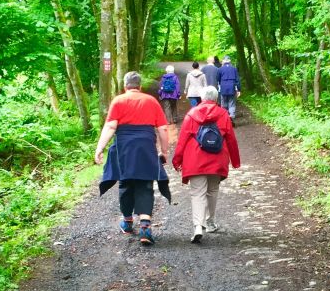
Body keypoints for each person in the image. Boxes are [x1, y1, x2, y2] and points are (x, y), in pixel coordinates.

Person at [95, 71, 171, 246]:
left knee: (125, 183)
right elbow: (162, 129)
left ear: (125, 86)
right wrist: (164, 151)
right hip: (145, 147)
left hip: (124, 148)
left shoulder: (118, 101)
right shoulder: (151, 101)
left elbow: (110, 126)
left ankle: (127, 222)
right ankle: (145, 227)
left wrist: (99, 148)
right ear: (140, 86)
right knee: (145, 184)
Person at [172, 86, 241, 243]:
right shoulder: (223, 114)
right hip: (217, 159)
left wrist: (177, 160)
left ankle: (198, 226)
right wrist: (235, 161)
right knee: (212, 191)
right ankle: (210, 222)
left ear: (202, 99)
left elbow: (182, 140)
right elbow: (231, 139)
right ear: (216, 99)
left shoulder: (191, 114)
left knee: (198, 193)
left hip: (195, 160)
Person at [218, 56, 241, 122]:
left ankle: (224, 118)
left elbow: (218, 79)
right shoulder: (234, 69)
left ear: (223, 61)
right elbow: (237, 80)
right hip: (232, 89)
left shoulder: (220, 69)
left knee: (224, 104)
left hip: (223, 89)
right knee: (232, 103)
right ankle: (231, 116)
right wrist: (239, 90)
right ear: (230, 61)